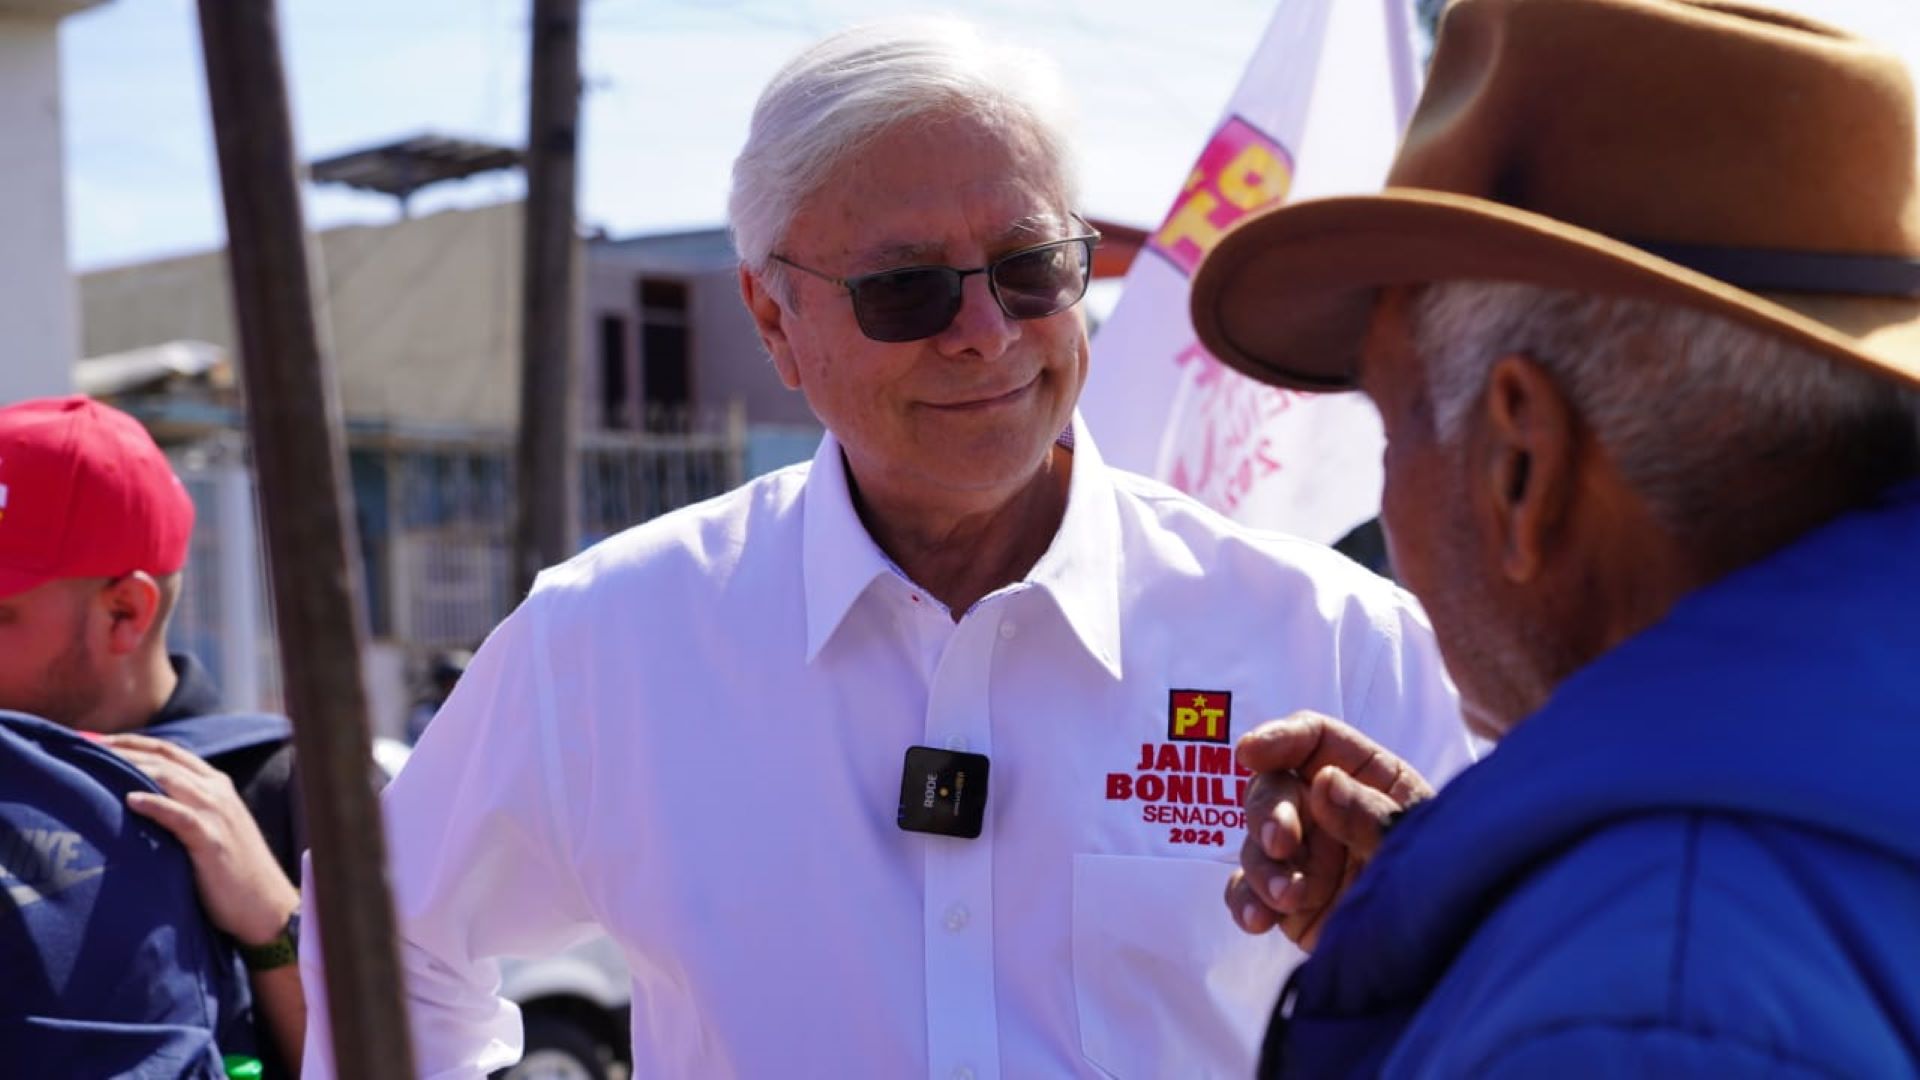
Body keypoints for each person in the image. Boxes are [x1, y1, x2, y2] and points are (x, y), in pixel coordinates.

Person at [298, 17, 1475, 1078]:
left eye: (1030, 269)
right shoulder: (608, 639)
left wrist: (1414, 945)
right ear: (774, 320)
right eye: (908, 290)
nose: (985, 335)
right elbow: (382, 942)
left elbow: (1504, 1002)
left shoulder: (1333, 642)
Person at [1190, 0, 1920, 1074]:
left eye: (1391, 425)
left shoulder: (1646, 1006)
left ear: (1520, 465)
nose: (1385, 498)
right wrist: (1502, 927)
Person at [0, 395, 308, 1074]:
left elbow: (428, 1059)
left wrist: (273, 921)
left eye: (2, 616)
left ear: (124, 611)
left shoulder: (288, 790)